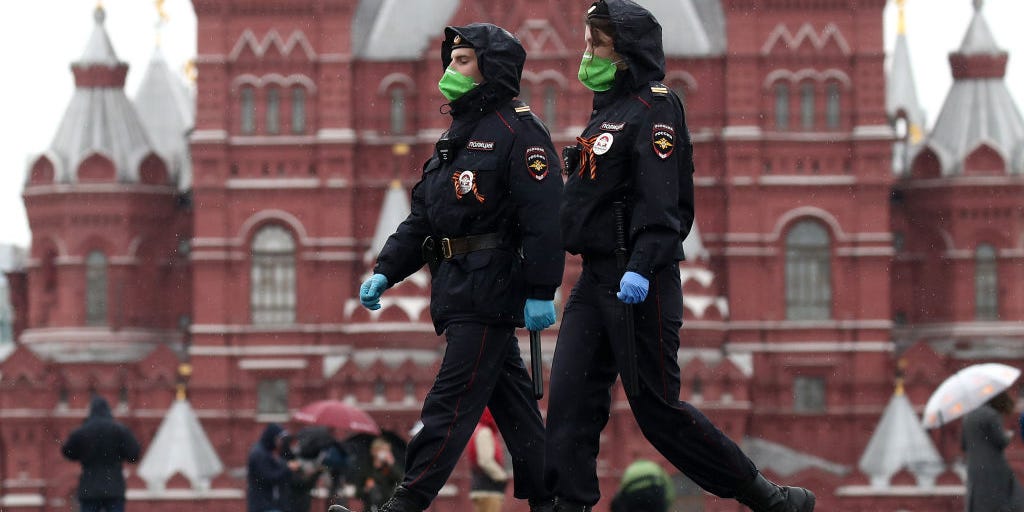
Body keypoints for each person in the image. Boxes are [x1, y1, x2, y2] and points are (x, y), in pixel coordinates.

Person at [545, 2, 816, 511]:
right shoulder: (607, 110)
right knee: (569, 403)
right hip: (593, 279)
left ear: (622, 52)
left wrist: (641, 266)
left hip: (637, 277)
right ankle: (567, 505)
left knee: (656, 412)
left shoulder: (657, 108)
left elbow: (662, 200)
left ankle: (769, 497)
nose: (585, 54)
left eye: (594, 44)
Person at [345, 22, 564, 512]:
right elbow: (425, 217)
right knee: (517, 414)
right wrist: (387, 269)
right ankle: (555, 501)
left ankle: (406, 503)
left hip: (490, 290)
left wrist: (541, 288)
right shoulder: (458, 134)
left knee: (450, 404)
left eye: (463, 61)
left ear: (492, 69)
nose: (451, 69)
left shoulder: (519, 131)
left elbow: (545, 217)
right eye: (451, 60)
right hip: (459, 286)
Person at [61, 395, 141, 512]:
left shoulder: (82, 431)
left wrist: (82, 454)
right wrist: (119, 454)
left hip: (89, 489)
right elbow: (134, 454)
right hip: (114, 487)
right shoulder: (119, 430)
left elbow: (67, 452)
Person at [962, 390, 1024, 511]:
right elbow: (1001, 441)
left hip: (974, 469)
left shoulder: (968, 416)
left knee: (979, 503)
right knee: (1002, 501)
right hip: (993, 467)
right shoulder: (991, 414)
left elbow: (963, 445)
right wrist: (1008, 436)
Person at [248, 423, 301, 512]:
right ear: (272, 437)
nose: (280, 442)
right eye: (278, 439)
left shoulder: (264, 452)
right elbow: (269, 476)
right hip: (263, 505)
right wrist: (287, 468)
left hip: (266, 504)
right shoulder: (260, 454)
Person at [468, 408, 509, 512]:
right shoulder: (484, 432)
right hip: (488, 489)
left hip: (483, 488)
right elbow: (485, 461)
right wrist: (501, 476)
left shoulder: (479, 430)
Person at [355, 438, 403, 512]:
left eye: (387, 451)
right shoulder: (366, 467)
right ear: (374, 451)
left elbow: (400, 480)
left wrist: (392, 464)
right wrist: (366, 488)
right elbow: (357, 491)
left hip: (387, 505)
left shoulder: (389, 467)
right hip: (370, 507)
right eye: (382, 450)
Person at [609, 460, 673, 512]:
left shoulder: (631, 468)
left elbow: (621, 490)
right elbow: (670, 492)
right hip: (654, 490)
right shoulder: (656, 467)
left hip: (633, 493)